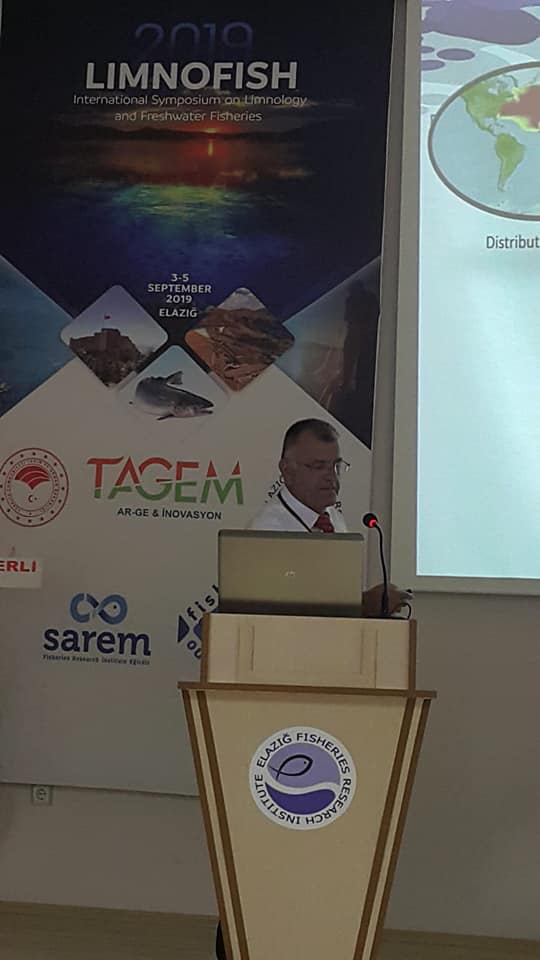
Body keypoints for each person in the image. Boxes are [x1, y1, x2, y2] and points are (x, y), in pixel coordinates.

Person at [215, 418, 410, 959]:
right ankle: (241, 942)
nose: (330, 478)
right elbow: (275, 623)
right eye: (316, 466)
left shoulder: (336, 521)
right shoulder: (268, 532)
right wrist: (362, 604)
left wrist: (368, 610)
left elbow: (328, 612)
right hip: (276, 711)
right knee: (261, 847)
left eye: (335, 466)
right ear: (285, 469)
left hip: (327, 702)